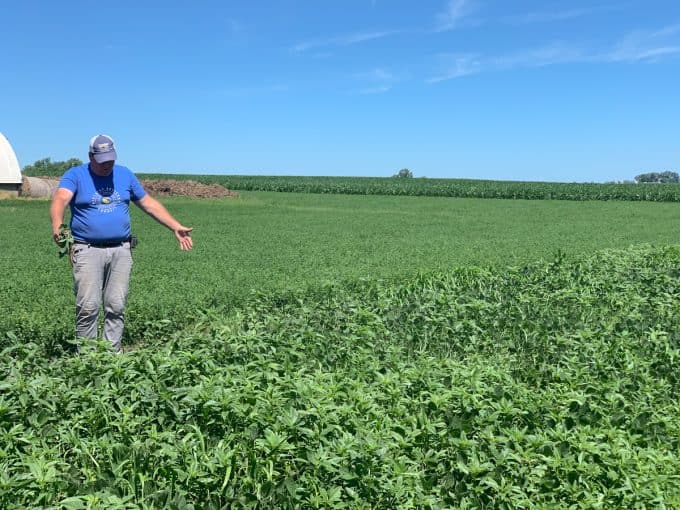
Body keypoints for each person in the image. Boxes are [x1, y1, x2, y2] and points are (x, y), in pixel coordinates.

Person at [50, 134, 193, 353]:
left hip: (121, 249)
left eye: (111, 159)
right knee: (88, 307)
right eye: (102, 160)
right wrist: (58, 225)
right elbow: (60, 198)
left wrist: (174, 226)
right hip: (87, 249)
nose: (107, 164)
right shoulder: (76, 175)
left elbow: (148, 203)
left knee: (116, 305)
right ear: (91, 156)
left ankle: (112, 358)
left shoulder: (125, 175)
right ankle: (86, 360)